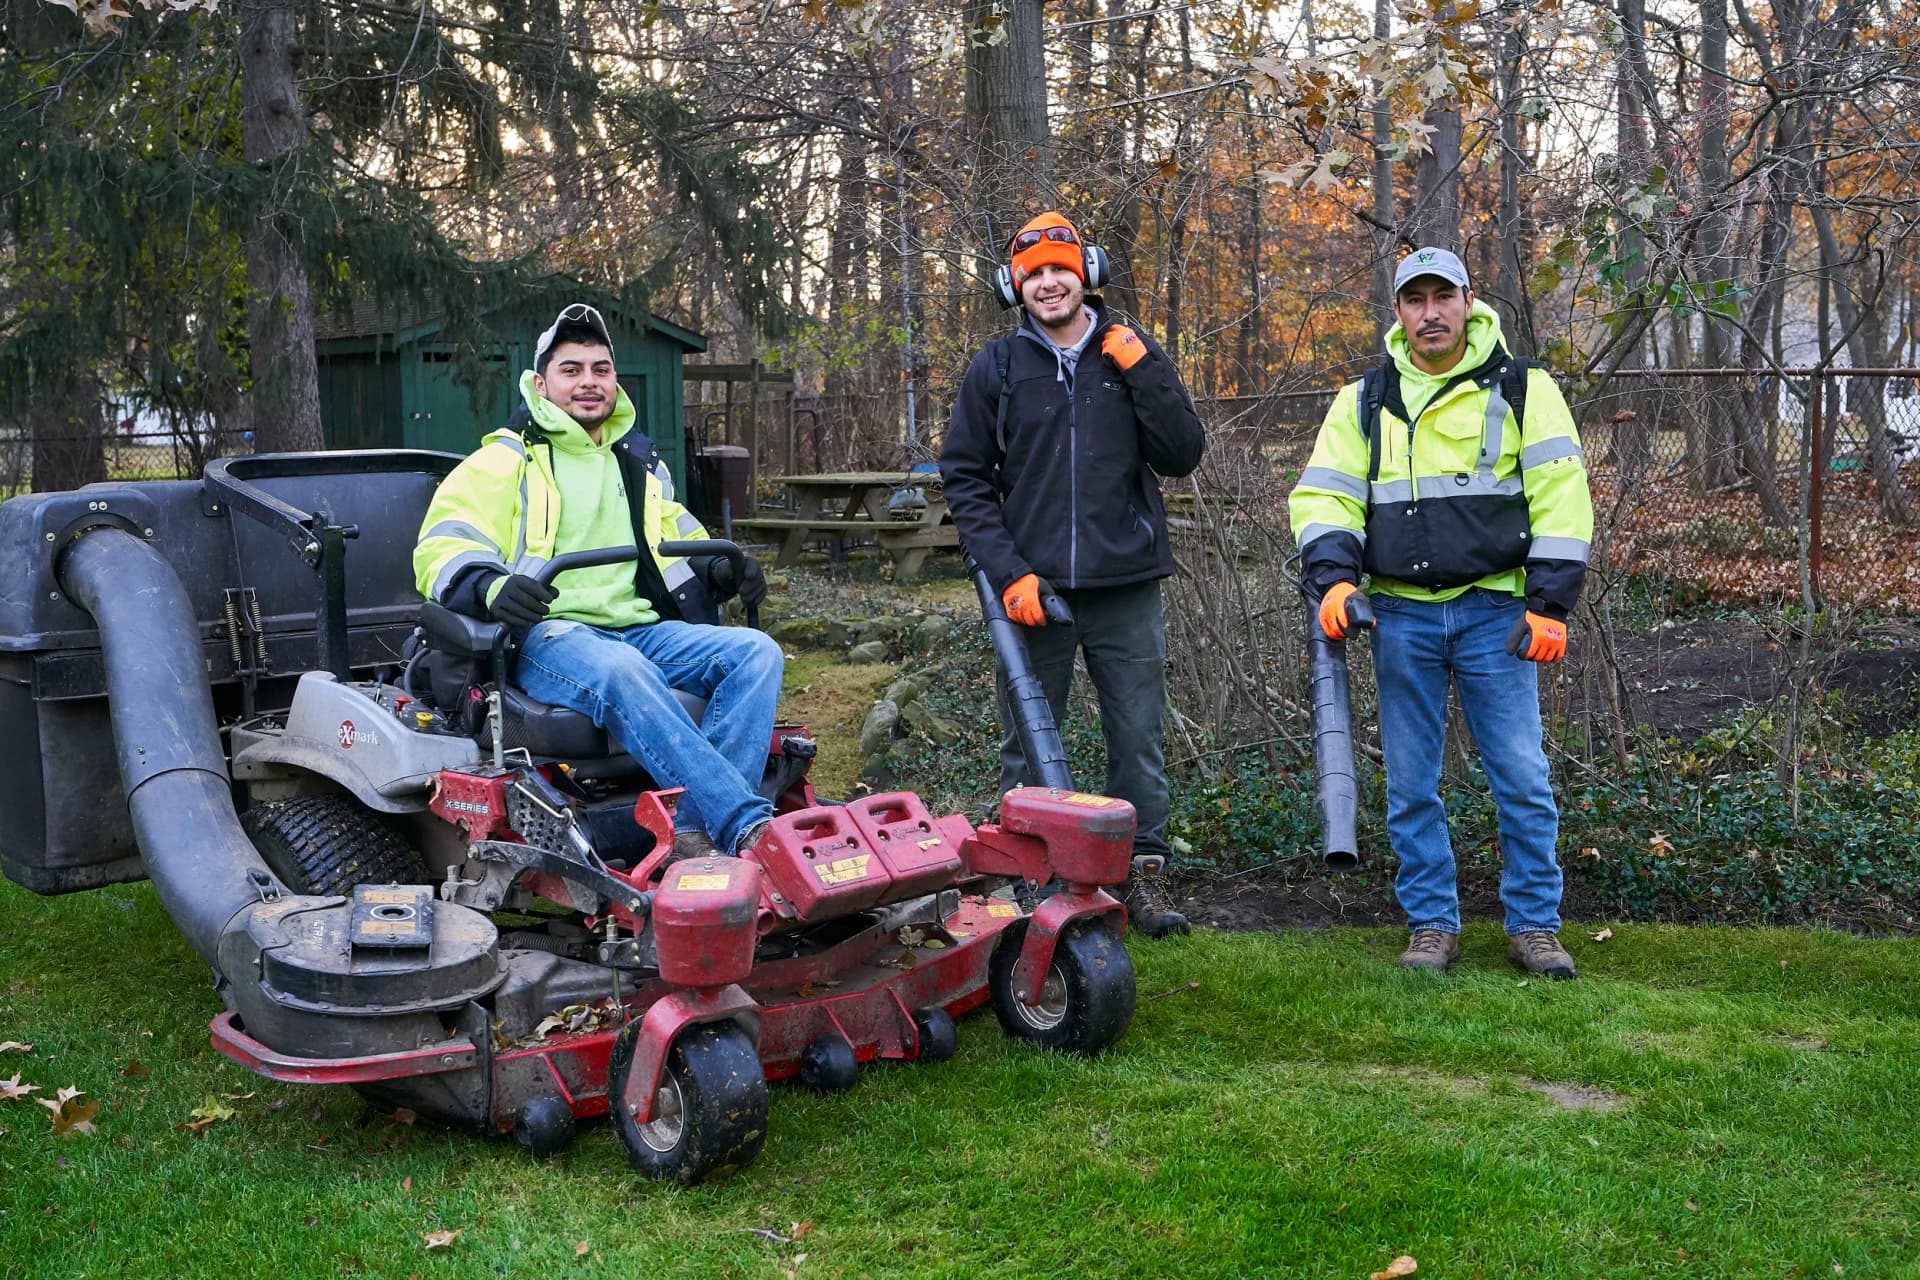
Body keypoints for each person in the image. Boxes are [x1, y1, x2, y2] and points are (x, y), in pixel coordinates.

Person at [1289, 247, 1594, 978]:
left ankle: (1535, 926)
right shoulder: (1365, 399)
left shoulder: (1525, 387)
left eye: (1442, 297)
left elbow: (1562, 493)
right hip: (1400, 617)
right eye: (1414, 299)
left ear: (1468, 302)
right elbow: (1325, 496)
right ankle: (1432, 923)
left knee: (1521, 775)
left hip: (1497, 612)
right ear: (1398, 311)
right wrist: (1333, 582)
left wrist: (1549, 603)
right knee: (1412, 783)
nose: (1430, 312)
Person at [414, 303, 781, 859]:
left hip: (638, 627)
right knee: (621, 670)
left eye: (600, 369)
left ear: (614, 379)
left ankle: (692, 828)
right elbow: (441, 546)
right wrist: (492, 587)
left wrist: (722, 568)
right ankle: (744, 826)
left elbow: (677, 537)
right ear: (541, 383)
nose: (589, 382)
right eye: (572, 369)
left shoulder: (636, 462)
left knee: (756, 653)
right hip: (549, 635)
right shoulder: (503, 462)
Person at [941, 211, 1207, 939]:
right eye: (1033, 275)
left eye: (1060, 269)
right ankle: (1029, 881)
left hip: (1126, 586)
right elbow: (965, 479)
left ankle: (1140, 876)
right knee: (1027, 742)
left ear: (1086, 272)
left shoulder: (1131, 354)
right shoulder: (997, 369)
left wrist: (1140, 366)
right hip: (1034, 593)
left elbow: (1183, 453)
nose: (1048, 283)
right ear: (1014, 287)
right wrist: (1009, 572)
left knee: (1138, 740)